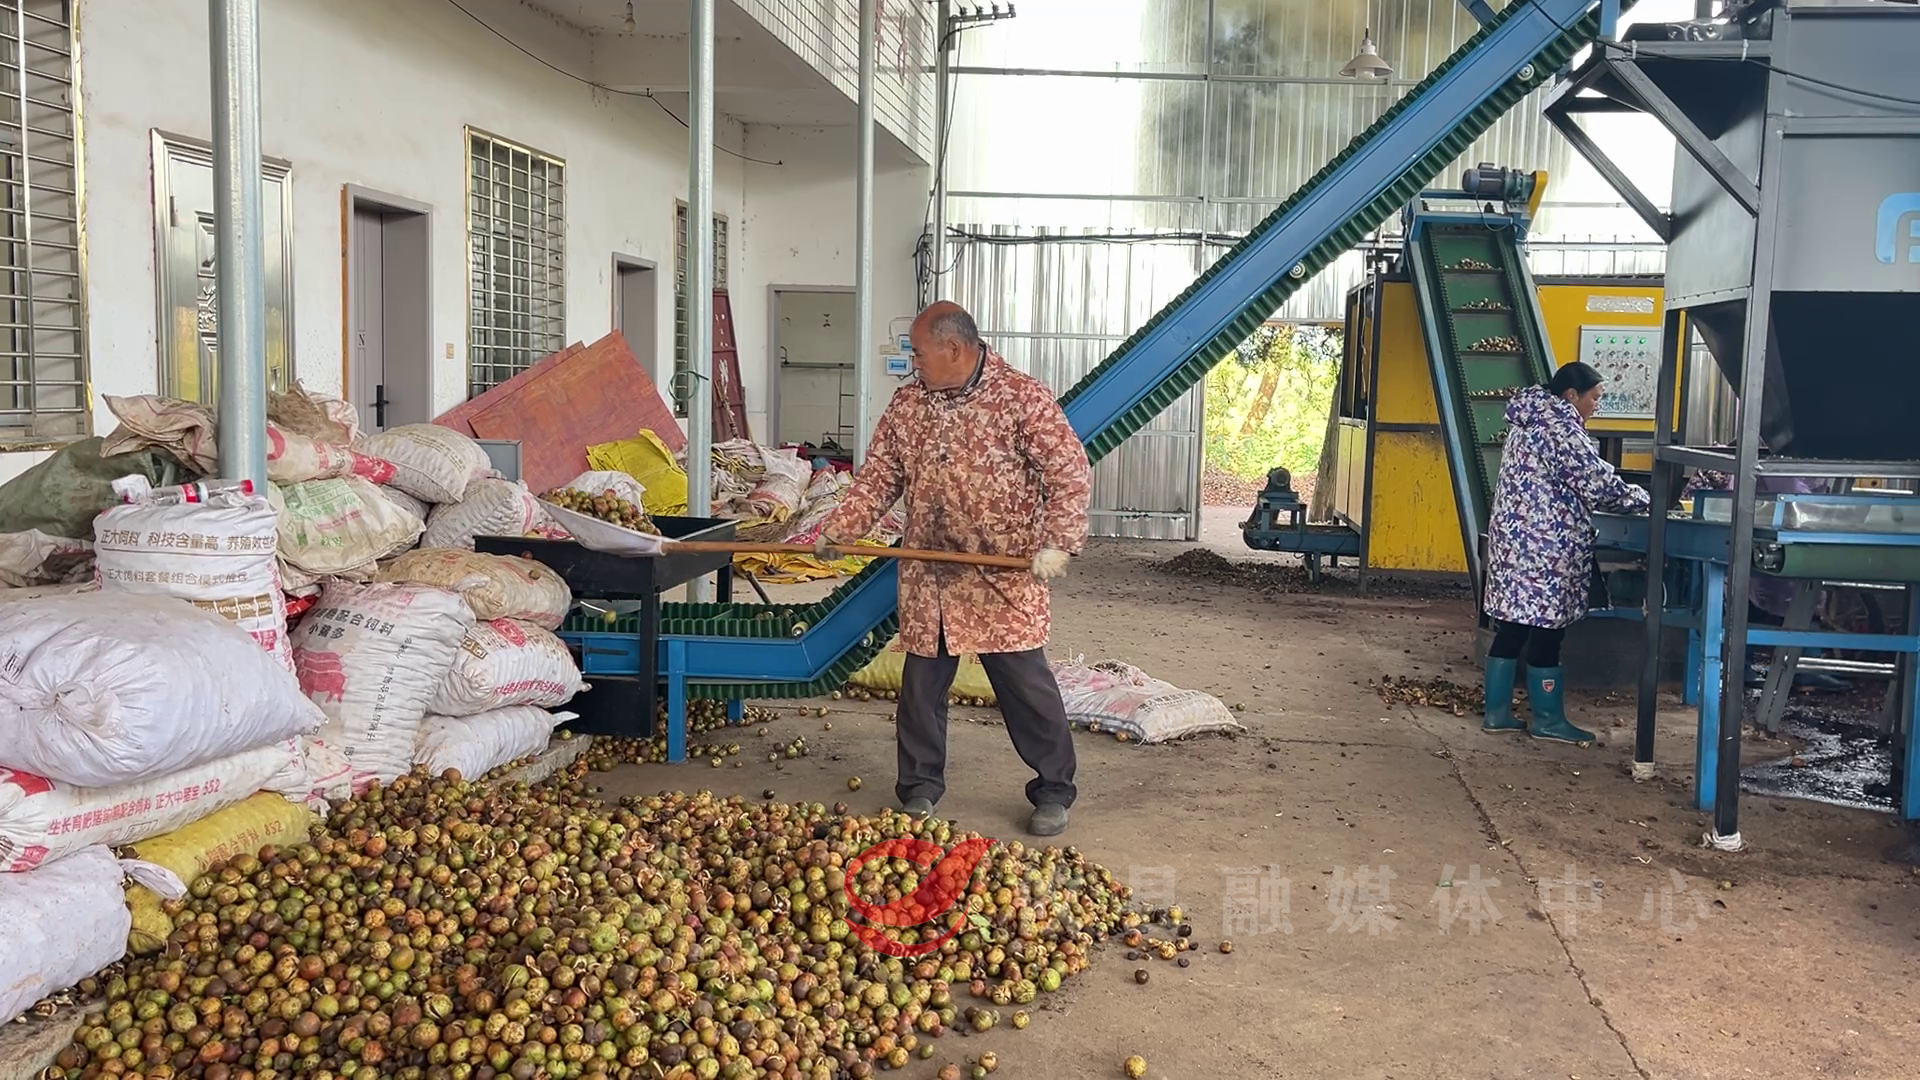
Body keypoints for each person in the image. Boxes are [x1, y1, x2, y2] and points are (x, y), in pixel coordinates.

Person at [816, 301, 1093, 836]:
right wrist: (840, 529)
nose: (913, 361)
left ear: (953, 348)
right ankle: (919, 787)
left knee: (1025, 687)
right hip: (930, 572)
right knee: (921, 687)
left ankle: (1054, 789)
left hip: (1000, 573)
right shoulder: (909, 404)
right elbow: (878, 478)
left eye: (918, 352)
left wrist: (1057, 543)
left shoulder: (1020, 398)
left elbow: (1069, 473)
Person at [1481, 362, 1651, 742]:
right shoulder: (1559, 427)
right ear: (1571, 395)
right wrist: (1642, 500)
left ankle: (1496, 713)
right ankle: (1548, 720)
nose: (1597, 405)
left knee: (1512, 626)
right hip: (1546, 544)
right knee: (1547, 630)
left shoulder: (1529, 421)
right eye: (1595, 398)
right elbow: (1596, 480)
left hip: (1516, 541)